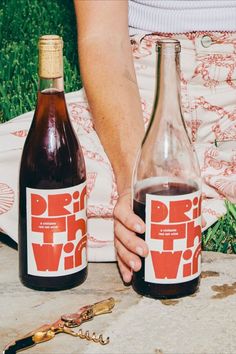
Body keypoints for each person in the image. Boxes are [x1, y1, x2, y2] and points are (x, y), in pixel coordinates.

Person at [73, 0, 236, 283]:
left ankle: (187, 187)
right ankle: (204, 183)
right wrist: (134, 183)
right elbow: (103, 37)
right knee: (38, 173)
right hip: (143, 78)